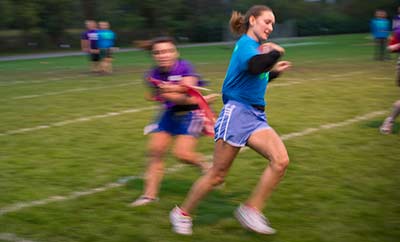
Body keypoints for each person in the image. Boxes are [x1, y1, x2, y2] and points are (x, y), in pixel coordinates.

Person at [170, 5, 291, 235]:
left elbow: (255, 75)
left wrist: (274, 71)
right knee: (217, 174)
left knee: (281, 161)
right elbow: (255, 66)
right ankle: (181, 213)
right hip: (237, 114)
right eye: (267, 21)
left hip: (255, 116)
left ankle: (251, 210)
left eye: (273, 23)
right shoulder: (246, 44)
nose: (271, 27)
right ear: (253, 20)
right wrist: (275, 53)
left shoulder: (255, 48)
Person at [131, 37, 217, 207]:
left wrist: (173, 89)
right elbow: (175, 98)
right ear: (153, 55)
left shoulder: (185, 66)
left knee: (182, 154)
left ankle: (204, 164)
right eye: (158, 52)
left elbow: (187, 87)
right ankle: (149, 195)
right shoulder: (151, 75)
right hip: (172, 111)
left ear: (175, 53)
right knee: (155, 151)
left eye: (167, 51)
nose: (163, 55)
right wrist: (199, 99)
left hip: (192, 114)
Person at [380, 28, 400, 134]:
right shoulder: (398, 31)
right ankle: (389, 121)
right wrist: (397, 46)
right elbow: (390, 48)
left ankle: (389, 121)